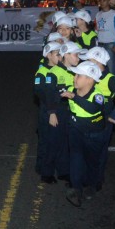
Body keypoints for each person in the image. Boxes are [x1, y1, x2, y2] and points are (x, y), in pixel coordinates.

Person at [61, 61, 115, 207]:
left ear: (90, 80)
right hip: (75, 131)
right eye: (75, 74)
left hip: (94, 134)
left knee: (92, 162)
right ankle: (76, 189)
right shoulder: (71, 88)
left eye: (79, 75)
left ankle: (92, 185)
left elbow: (92, 108)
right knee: (76, 159)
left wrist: (74, 97)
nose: (74, 77)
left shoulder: (97, 95)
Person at [80, 46, 115, 190]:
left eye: (89, 60)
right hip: (88, 118)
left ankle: (96, 181)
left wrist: (114, 117)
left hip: (104, 119)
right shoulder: (88, 75)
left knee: (100, 152)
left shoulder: (110, 79)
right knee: (85, 149)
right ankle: (85, 177)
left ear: (97, 62)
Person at [34, 42, 70, 185]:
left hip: (63, 109)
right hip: (49, 110)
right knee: (50, 142)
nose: (60, 57)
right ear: (48, 55)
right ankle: (46, 172)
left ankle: (63, 170)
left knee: (63, 141)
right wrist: (51, 111)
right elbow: (41, 93)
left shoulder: (62, 69)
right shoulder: (42, 72)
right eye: (56, 54)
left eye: (61, 54)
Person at [95, 0, 115, 76]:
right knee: (101, 69)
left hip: (110, 44)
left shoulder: (114, 14)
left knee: (111, 70)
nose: (102, 2)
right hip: (100, 44)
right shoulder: (98, 14)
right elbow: (97, 28)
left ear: (109, 1)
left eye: (104, 0)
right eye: (100, 0)